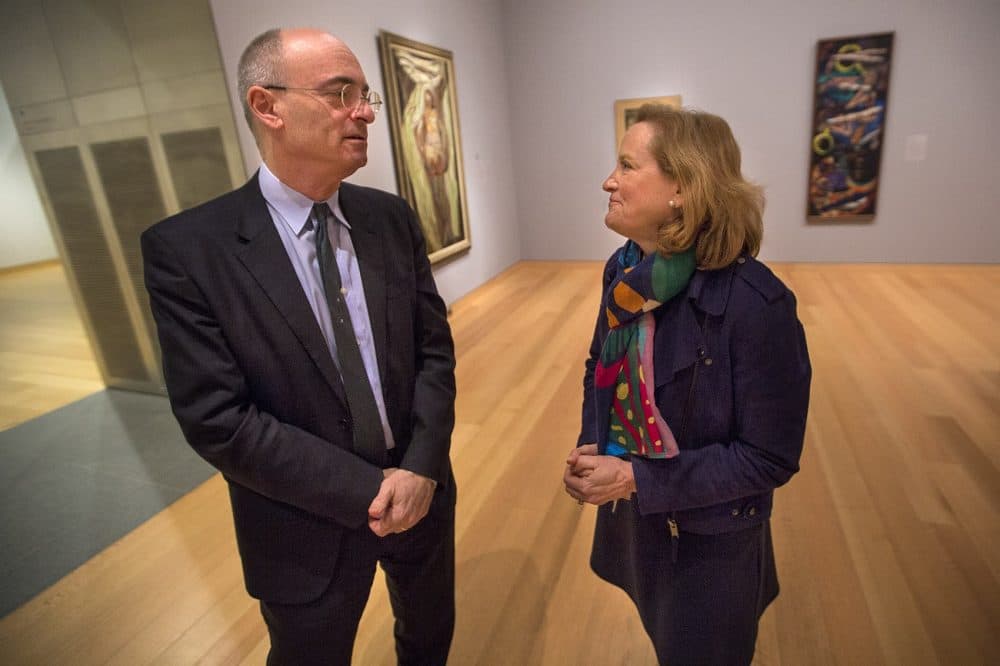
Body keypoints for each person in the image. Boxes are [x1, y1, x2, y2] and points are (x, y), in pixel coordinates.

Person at [141, 28, 456, 665]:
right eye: (342, 93)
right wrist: (367, 488)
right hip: (301, 518)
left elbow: (434, 353)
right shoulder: (188, 251)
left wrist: (420, 468)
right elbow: (217, 419)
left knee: (427, 638)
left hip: (423, 491)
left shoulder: (390, 217)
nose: (365, 111)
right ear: (267, 106)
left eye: (363, 94)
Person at [563, 104, 811, 665]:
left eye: (627, 165)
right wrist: (594, 442)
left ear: (683, 188)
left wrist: (634, 476)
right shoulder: (625, 271)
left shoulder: (757, 305)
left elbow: (768, 458)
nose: (609, 180)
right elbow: (597, 364)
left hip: (710, 539)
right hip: (645, 518)